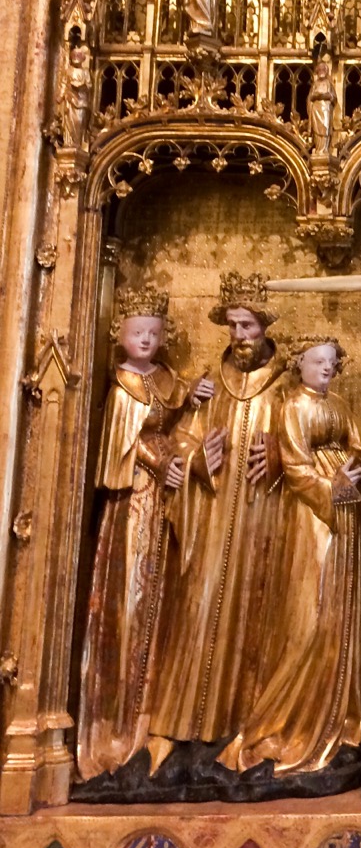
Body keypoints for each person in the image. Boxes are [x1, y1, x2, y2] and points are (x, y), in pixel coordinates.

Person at [220, 336, 361, 774]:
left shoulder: (340, 405)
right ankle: (285, 721)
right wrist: (332, 486)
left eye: (332, 361)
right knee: (310, 614)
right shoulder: (292, 406)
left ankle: (332, 717)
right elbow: (296, 468)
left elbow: (357, 447)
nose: (326, 368)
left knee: (337, 613)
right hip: (313, 516)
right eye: (317, 361)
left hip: (345, 509)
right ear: (301, 365)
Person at [146, 273, 286, 770]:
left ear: (266, 327)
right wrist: (198, 457)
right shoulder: (210, 383)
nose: (239, 336)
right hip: (210, 518)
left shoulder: (286, 385)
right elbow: (185, 439)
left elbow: (304, 439)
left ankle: (243, 728)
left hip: (263, 520)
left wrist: (277, 453)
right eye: (232, 326)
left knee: (256, 617)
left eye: (247, 326)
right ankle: (181, 729)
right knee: (197, 609)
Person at [77, 288, 213, 780]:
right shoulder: (120, 388)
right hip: (134, 504)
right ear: (121, 336)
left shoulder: (161, 378)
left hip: (165, 506)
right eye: (138, 334)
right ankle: (116, 728)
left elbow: (174, 407)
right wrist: (162, 463)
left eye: (154, 334)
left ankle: (154, 717)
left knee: (164, 602)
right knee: (130, 601)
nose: (147, 341)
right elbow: (124, 445)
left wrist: (193, 396)